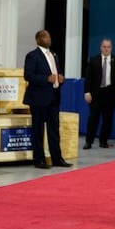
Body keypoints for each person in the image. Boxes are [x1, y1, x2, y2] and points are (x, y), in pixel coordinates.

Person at [22, 30, 71, 169]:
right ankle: (39, 159)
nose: (48, 38)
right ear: (38, 39)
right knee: (38, 130)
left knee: (54, 129)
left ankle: (57, 158)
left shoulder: (54, 55)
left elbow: (58, 71)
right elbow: (28, 75)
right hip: (38, 98)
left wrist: (61, 78)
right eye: (44, 36)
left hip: (54, 97)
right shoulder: (32, 56)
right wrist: (46, 79)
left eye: (49, 36)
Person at [83, 38, 115, 149]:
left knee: (108, 119)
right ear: (101, 47)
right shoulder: (93, 60)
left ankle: (103, 141)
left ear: (111, 48)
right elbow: (88, 78)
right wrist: (87, 92)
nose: (106, 49)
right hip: (96, 93)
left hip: (110, 93)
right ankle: (89, 141)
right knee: (93, 118)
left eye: (108, 47)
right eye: (104, 47)